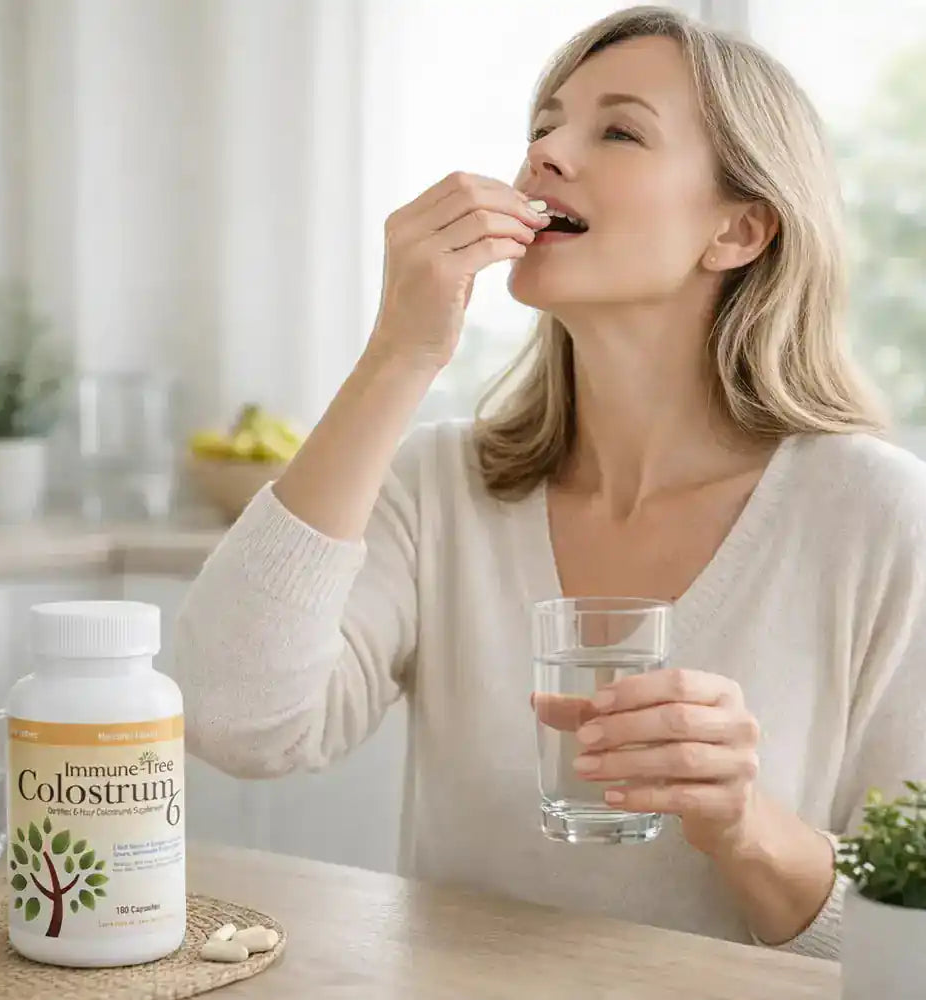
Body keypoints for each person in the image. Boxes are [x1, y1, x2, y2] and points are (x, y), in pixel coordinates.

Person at [171, 4, 926, 959]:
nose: (545, 154)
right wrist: (399, 353)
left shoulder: (874, 516)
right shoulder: (443, 486)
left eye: (619, 131)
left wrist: (745, 825)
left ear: (738, 229)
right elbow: (234, 718)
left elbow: (908, 932)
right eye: (544, 125)